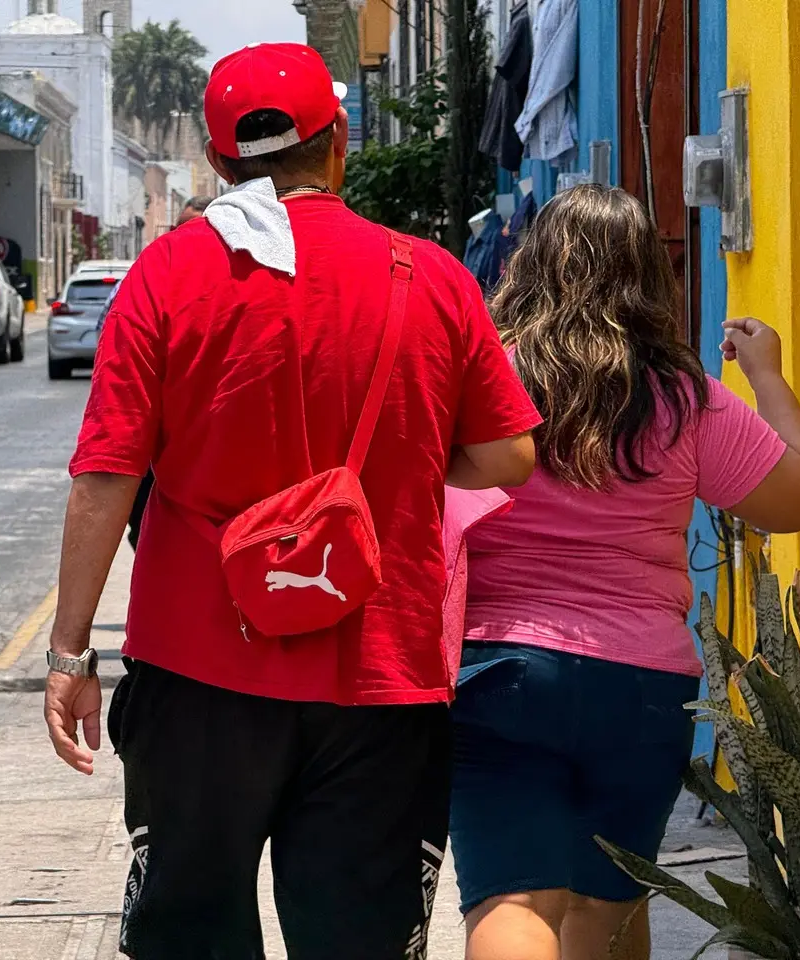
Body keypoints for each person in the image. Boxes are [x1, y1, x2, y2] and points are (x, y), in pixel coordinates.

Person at [43, 42, 541, 960]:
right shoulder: (429, 277)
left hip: (197, 678)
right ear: (339, 143)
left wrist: (70, 651)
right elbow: (510, 453)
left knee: (189, 934)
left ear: (219, 158)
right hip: (378, 677)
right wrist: (398, 467)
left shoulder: (166, 275)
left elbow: (107, 477)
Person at [446, 184, 800, 960]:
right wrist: (768, 375)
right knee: (609, 902)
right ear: (649, 278)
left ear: (531, 267)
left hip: (502, 670)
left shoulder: (488, 377)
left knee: (515, 899)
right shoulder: (686, 399)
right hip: (644, 685)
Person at [125, 194, 215, 552]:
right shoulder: (154, 281)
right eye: (179, 228)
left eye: (196, 228)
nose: (184, 237)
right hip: (160, 456)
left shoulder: (238, 286)